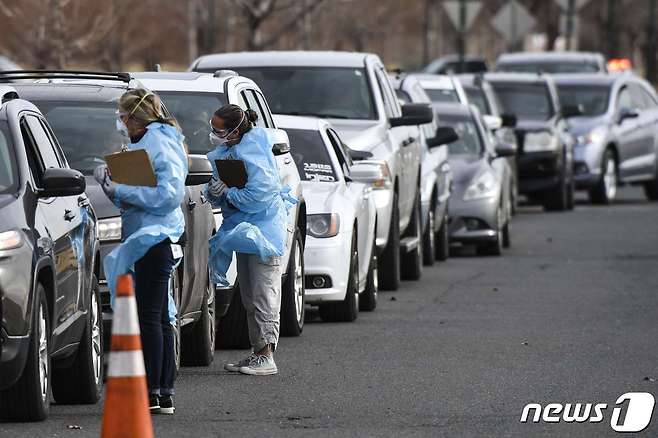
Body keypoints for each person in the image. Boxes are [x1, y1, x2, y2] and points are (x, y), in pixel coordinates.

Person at [94, 89, 187, 414]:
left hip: (154, 238)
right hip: (146, 236)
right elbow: (141, 193)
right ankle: (162, 391)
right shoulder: (146, 142)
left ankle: (153, 391)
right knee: (158, 315)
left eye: (122, 116)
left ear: (134, 117)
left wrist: (120, 189)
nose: (119, 122)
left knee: (150, 316)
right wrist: (113, 186)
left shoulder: (159, 144)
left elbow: (167, 196)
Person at [206, 104, 296, 376]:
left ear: (235, 130)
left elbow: (260, 196)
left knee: (263, 292)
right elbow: (225, 188)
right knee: (249, 293)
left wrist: (228, 194)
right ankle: (258, 352)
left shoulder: (255, 153)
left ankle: (267, 354)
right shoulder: (231, 151)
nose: (215, 134)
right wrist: (215, 191)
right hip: (247, 230)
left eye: (219, 130)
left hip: (264, 232)